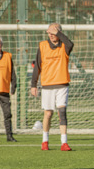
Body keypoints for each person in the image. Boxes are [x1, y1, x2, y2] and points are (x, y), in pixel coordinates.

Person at [30, 23, 74, 151]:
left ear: (59, 33)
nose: (51, 35)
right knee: (48, 113)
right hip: (47, 85)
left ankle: (64, 142)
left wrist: (58, 33)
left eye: (54, 33)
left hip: (62, 84)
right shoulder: (43, 46)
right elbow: (37, 66)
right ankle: (45, 141)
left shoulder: (65, 46)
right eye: (49, 33)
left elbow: (71, 44)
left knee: (62, 112)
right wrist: (33, 84)